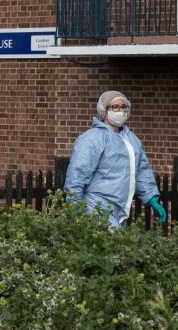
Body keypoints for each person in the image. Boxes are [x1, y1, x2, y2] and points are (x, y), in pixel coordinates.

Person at [64, 91, 167, 228]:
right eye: (115, 107)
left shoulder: (131, 139)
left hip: (120, 209)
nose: (120, 111)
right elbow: (78, 172)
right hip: (96, 206)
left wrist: (151, 198)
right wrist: (74, 203)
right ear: (104, 110)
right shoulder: (93, 138)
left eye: (123, 107)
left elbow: (141, 170)